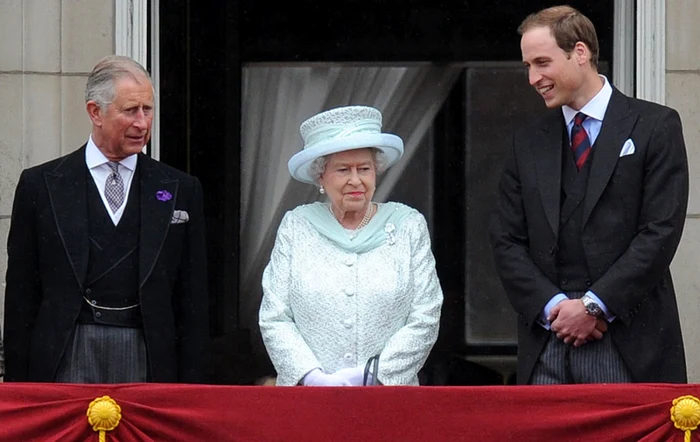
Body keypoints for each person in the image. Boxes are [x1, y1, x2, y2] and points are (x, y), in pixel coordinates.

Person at [489, 5, 689, 385]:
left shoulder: (655, 126)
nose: (533, 77)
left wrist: (595, 306)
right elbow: (505, 239)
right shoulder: (527, 142)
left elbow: (660, 231)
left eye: (542, 62)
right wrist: (555, 308)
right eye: (528, 66)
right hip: (547, 339)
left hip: (628, 340)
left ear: (580, 53)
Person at [3, 55, 210, 383]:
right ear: (94, 112)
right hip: (64, 357)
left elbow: (193, 300)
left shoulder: (182, 189)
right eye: (130, 110)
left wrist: (194, 389)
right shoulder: (41, 186)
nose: (142, 123)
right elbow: (21, 296)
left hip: (151, 359)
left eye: (148, 109)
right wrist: (18, 390)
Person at [258, 105, 443, 386]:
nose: (355, 180)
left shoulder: (408, 225)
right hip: (309, 401)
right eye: (343, 169)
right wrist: (311, 378)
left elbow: (426, 314)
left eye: (364, 169)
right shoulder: (296, 227)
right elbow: (275, 316)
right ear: (321, 176)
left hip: (388, 400)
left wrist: (371, 376)